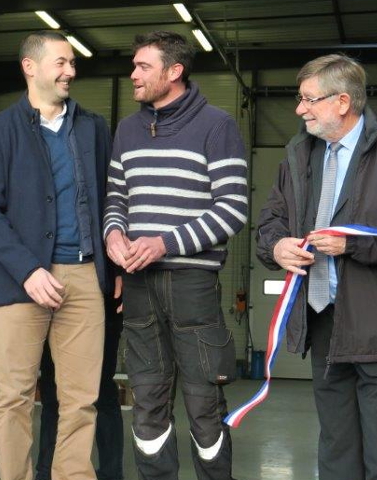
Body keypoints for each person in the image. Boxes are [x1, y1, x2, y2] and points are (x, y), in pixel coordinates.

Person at [255, 53, 377, 480]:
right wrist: (276, 246)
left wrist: (351, 243)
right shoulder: (300, 154)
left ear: (342, 102)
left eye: (308, 99)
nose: (300, 110)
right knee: (336, 451)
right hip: (324, 321)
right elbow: (271, 218)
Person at [103, 31, 248, 480]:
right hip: (141, 286)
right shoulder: (128, 129)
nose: (134, 74)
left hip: (192, 284)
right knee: (147, 402)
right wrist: (113, 234)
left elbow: (233, 209)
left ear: (174, 72)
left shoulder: (217, 125)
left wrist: (164, 243)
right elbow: (116, 197)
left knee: (205, 404)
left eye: (143, 66)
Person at [0, 30, 112, 480]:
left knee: (81, 397)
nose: (71, 71)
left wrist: (114, 266)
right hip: (20, 281)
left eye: (72, 63)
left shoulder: (92, 127)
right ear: (30, 67)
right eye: (62, 62)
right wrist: (28, 269)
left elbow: (110, 199)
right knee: (12, 396)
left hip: (86, 275)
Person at [36, 291, 124, 480]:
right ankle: (46, 470)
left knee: (101, 388)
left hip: (104, 296)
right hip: (50, 294)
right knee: (52, 389)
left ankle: (111, 473)